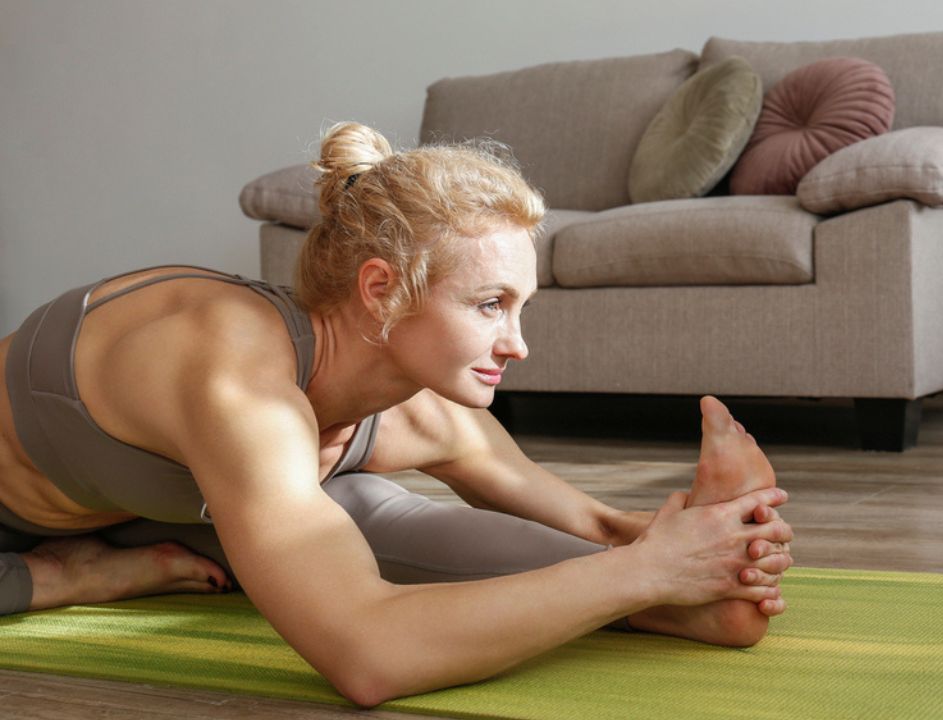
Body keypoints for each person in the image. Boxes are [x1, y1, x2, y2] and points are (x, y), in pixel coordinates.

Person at [0, 122, 794, 706]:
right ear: (380, 290)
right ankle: (55, 578)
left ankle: (682, 617)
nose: (516, 344)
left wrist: (701, 549)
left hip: (143, 504)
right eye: (489, 305)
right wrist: (645, 571)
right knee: (334, 554)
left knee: (366, 514)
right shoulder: (237, 383)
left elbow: (590, 526)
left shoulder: (416, 407)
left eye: (520, 308)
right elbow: (368, 656)